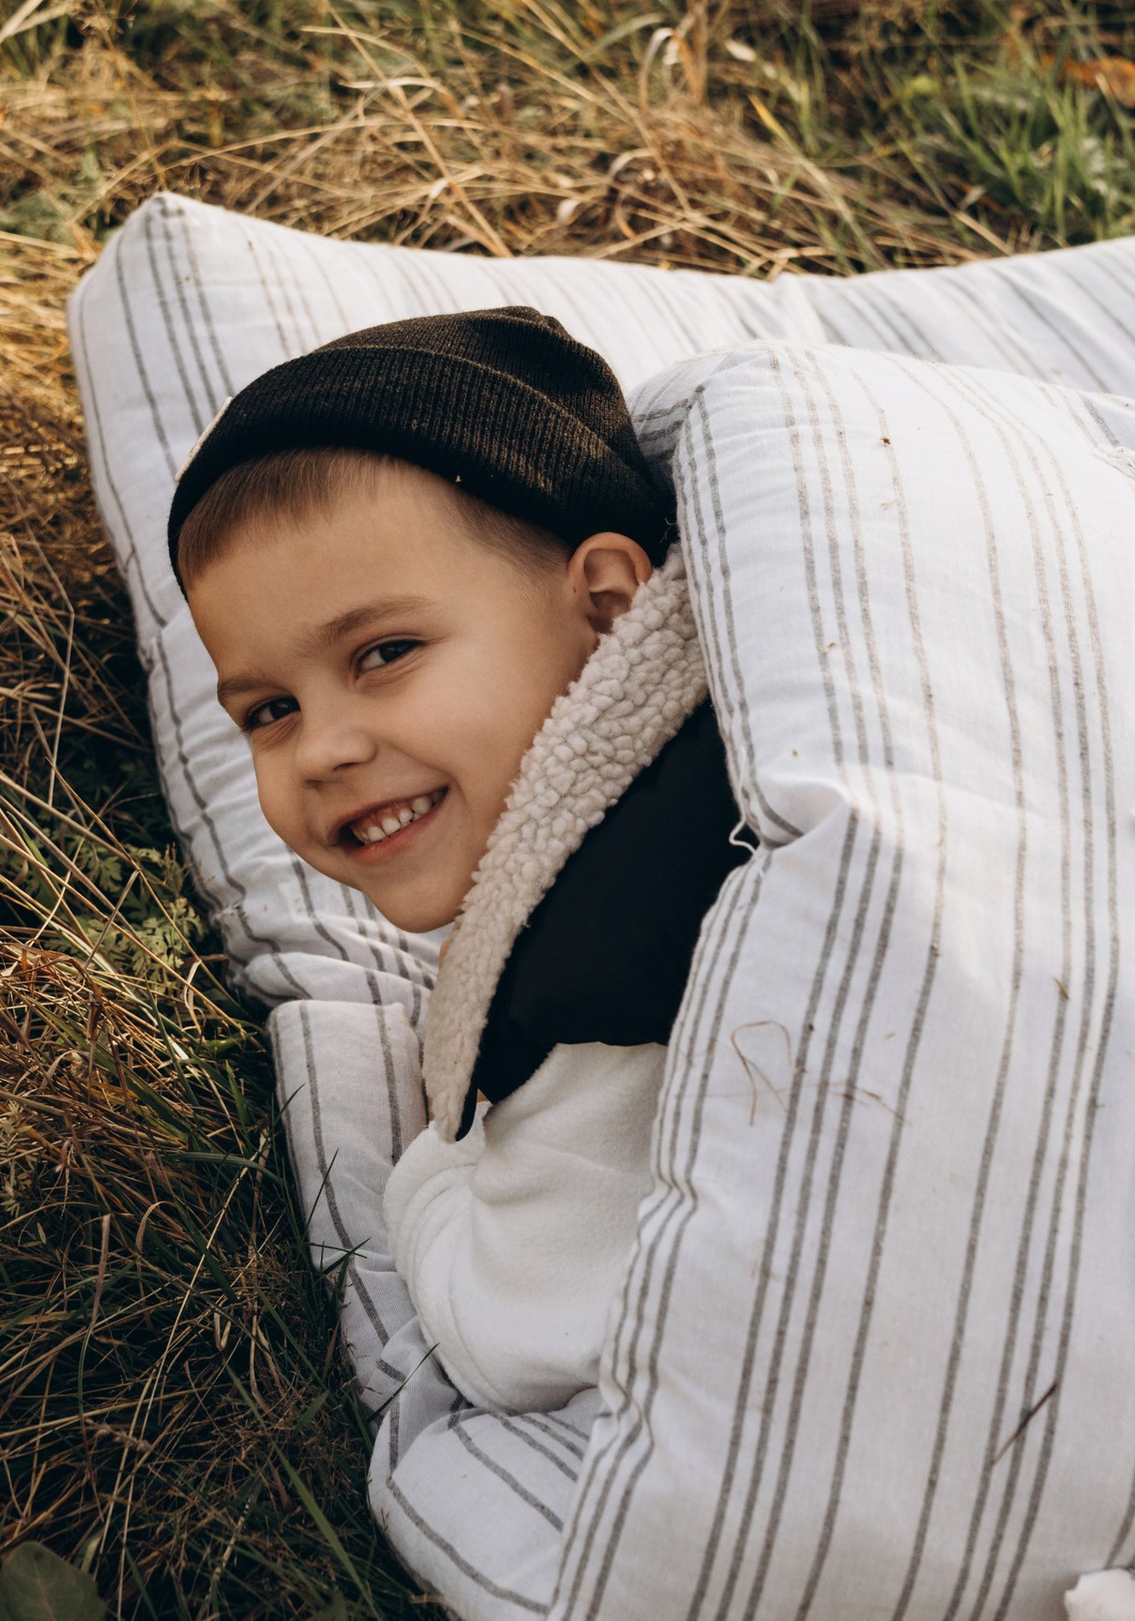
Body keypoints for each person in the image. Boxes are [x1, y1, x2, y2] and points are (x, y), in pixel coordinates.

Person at [169, 309, 746, 1410]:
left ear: (607, 605)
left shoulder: (602, 962)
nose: (323, 749)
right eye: (270, 709)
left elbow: (518, 1337)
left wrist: (433, 1172)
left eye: (384, 653)